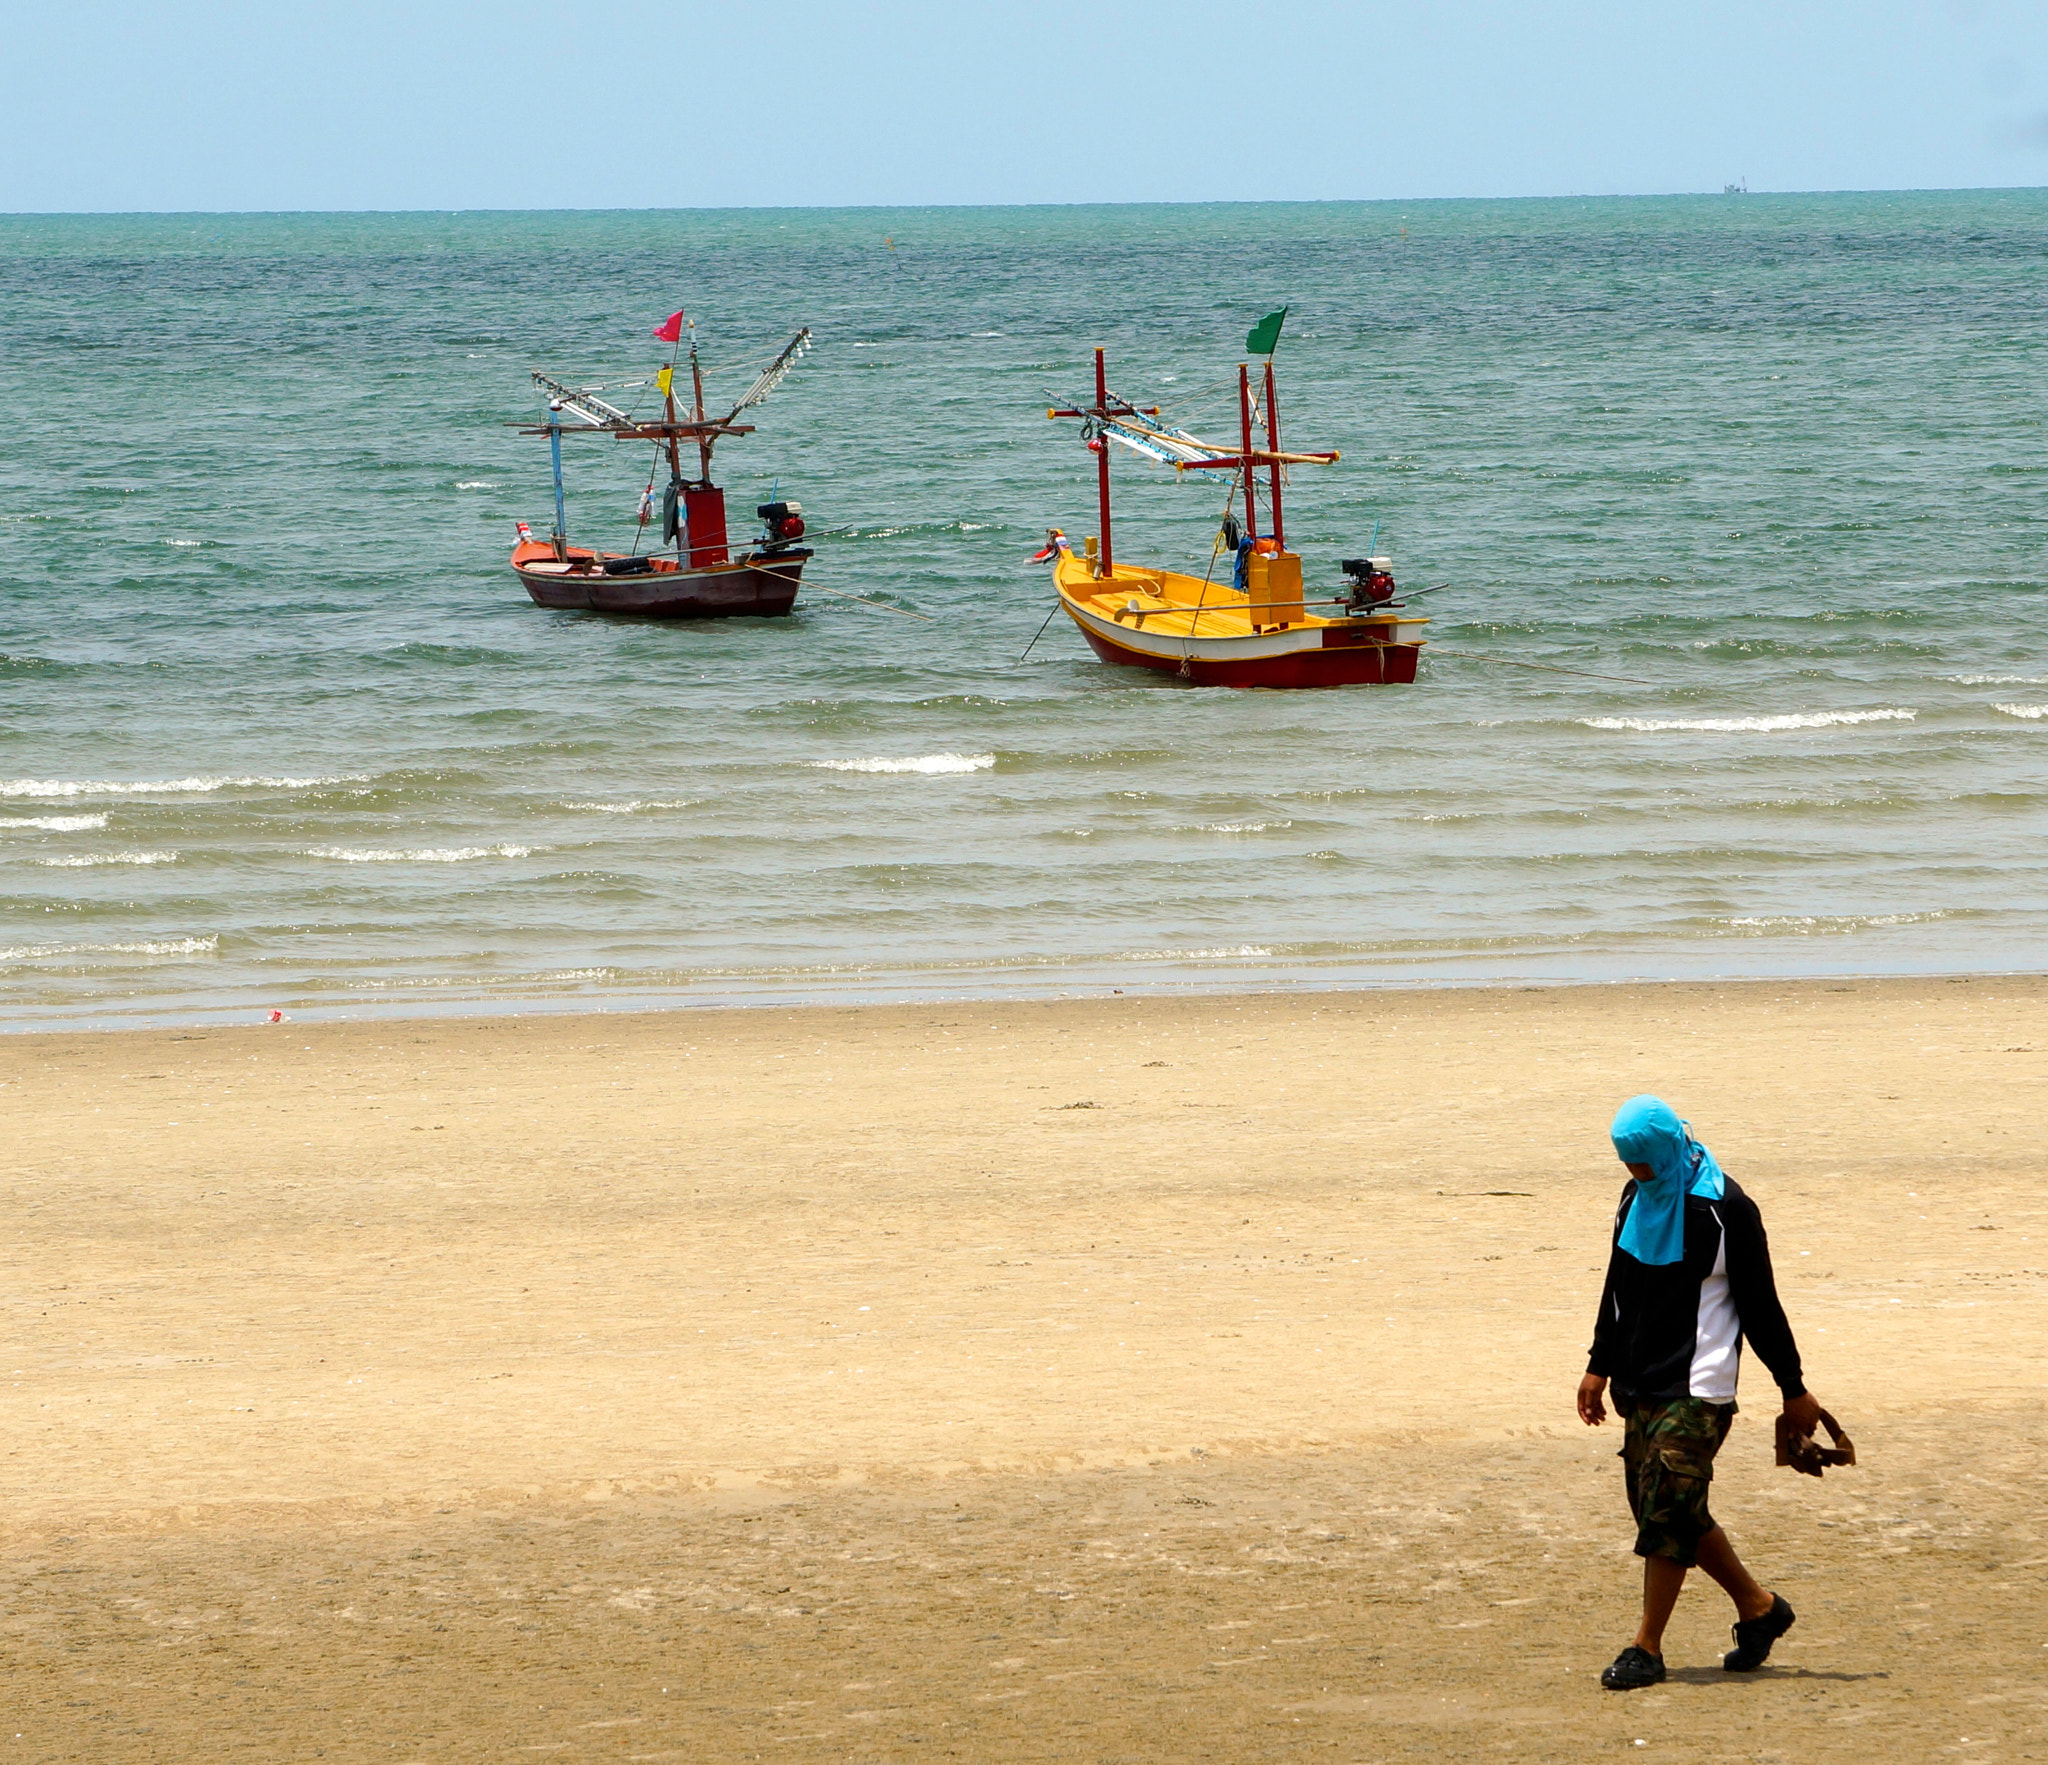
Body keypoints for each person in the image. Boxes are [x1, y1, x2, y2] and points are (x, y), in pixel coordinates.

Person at [1577, 1095, 1822, 1690]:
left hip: (1699, 1385)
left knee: (1667, 1508)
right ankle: (1760, 1607)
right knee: (1667, 1510)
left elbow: (1761, 1305)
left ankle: (1647, 1647)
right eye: (1628, 1164)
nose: (1637, 1174)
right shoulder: (1634, 1198)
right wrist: (1598, 1365)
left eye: (1645, 1163)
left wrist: (1793, 1388)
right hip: (1639, 1380)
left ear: (1667, 1149)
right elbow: (1618, 1283)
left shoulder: (1727, 1208)